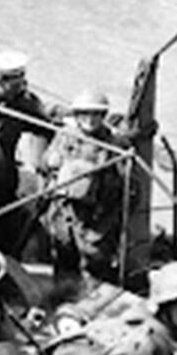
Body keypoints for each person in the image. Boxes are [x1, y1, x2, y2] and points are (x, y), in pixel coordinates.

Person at [39, 89, 127, 284]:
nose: (90, 119)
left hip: (96, 217)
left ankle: (91, 302)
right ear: (77, 115)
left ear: (103, 116)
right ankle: (62, 299)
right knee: (63, 258)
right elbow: (45, 164)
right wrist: (51, 162)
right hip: (64, 212)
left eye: (96, 114)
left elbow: (122, 184)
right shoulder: (65, 136)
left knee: (95, 264)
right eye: (85, 114)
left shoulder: (113, 144)